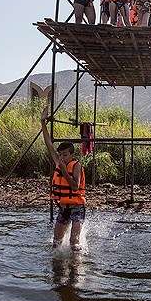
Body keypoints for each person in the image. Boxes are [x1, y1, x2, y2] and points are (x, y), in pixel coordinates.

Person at [41, 105, 86, 252]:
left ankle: (76, 269)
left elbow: (74, 186)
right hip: (63, 206)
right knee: (56, 243)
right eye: (60, 155)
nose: (62, 158)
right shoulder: (59, 162)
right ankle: (57, 269)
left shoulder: (76, 165)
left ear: (71, 155)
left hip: (77, 206)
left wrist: (65, 171)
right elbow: (48, 144)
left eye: (65, 155)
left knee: (74, 243)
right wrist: (42, 123)